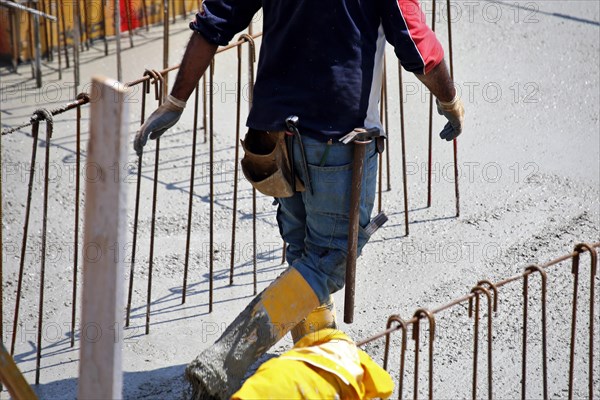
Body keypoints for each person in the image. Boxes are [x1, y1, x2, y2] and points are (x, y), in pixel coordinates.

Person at [134, 0, 464, 398]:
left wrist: (176, 101)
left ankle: (316, 347)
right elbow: (416, 46)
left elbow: (215, 20)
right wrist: (449, 100)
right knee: (329, 259)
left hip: (271, 133)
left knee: (302, 250)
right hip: (337, 133)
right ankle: (223, 361)